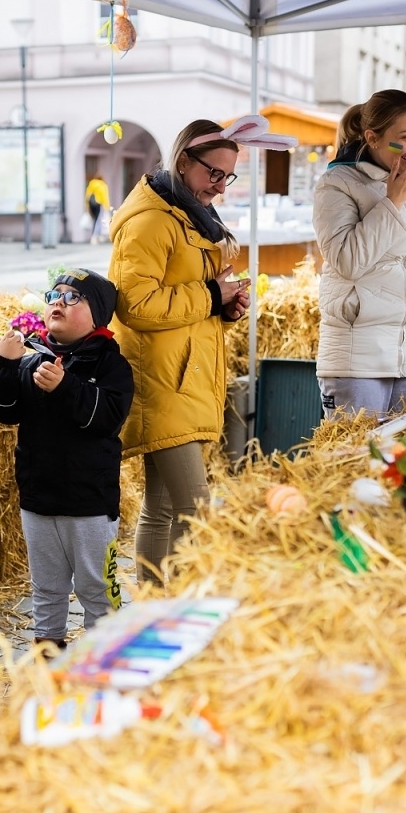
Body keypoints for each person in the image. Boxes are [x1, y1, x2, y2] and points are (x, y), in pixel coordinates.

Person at [108, 119, 250, 585]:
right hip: (163, 380)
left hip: (181, 376)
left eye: (228, 176)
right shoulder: (151, 221)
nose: (221, 187)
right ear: (184, 161)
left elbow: (183, 299)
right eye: (214, 174)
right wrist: (210, 295)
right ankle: (181, 605)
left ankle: (156, 605)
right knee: (196, 509)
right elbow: (135, 305)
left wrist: (223, 307)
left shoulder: (187, 215)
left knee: (162, 507)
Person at [0, 269, 133, 649]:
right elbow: (1, 410)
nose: (58, 303)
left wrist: (66, 387)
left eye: (72, 297)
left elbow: (107, 418)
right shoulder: (32, 361)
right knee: (46, 587)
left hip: (89, 504)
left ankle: (104, 657)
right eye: (53, 295)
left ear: (98, 315)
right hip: (39, 499)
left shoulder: (110, 365)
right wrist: (1, 365)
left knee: (97, 587)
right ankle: (47, 654)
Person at [313, 90, 406, 416]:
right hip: (358, 359)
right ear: (372, 138)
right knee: (360, 448)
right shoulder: (336, 183)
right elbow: (348, 261)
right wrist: (393, 201)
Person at [85, 173, 111, 244]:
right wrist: (107, 206)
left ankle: (94, 236)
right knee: (98, 220)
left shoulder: (92, 184)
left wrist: (86, 205)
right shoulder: (103, 185)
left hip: (92, 204)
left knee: (95, 220)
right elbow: (105, 196)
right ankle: (95, 236)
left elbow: (87, 195)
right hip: (99, 204)